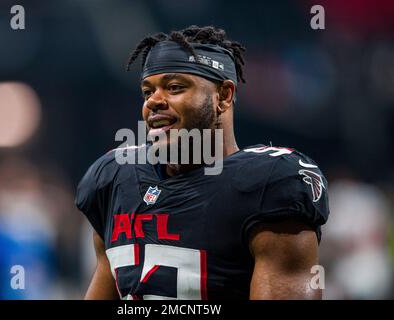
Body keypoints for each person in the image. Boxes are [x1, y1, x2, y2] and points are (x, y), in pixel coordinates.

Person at [75, 25, 329, 300]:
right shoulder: (115, 181)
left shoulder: (268, 185)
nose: (154, 102)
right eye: (148, 91)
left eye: (174, 88)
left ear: (223, 96)